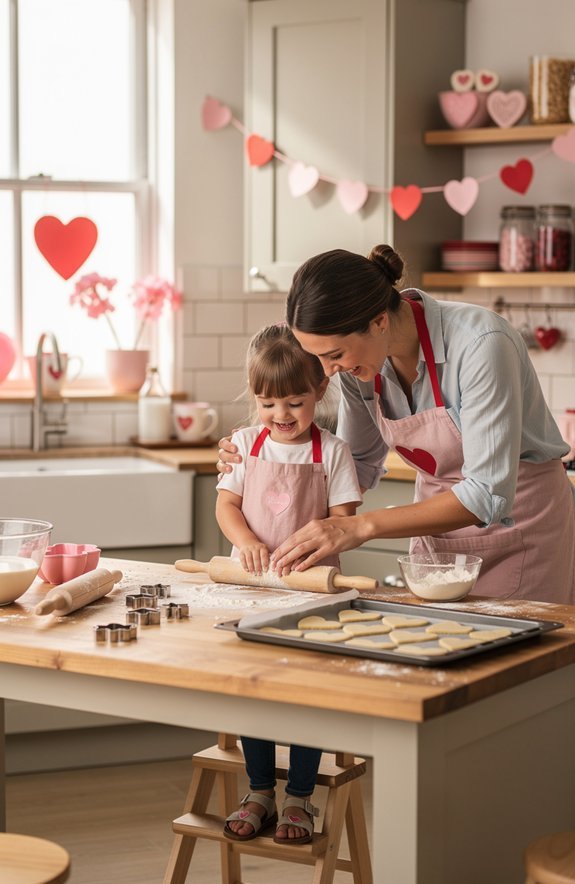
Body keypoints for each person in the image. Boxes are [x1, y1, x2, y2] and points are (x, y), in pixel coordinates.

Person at [218, 244, 575, 605]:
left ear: (380, 322)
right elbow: (353, 466)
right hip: (436, 536)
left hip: (519, 530)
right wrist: (268, 459)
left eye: (335, 355)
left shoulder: (481, 344)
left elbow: (487, 493)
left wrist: (362, 526)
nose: (328, 372)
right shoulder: (359, 367)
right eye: (319, 358)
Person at [216, 323, 361, 844]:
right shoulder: (242, 445)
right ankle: (259, 792)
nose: (281, 415)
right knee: (252, 693)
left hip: (310, 596)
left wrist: (316, 548)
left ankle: (299, 797)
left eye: (295, 403)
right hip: (252, 590)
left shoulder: (334, 452)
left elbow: (344, 520)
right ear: (254, 397)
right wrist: (247, 541)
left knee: (305, 695)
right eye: (267, 403)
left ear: (320, 389)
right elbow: (226, 506)